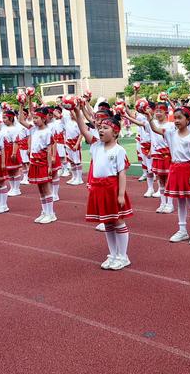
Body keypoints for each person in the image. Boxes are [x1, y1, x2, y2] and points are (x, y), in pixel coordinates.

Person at [74, 105, 132, 270]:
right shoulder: (95, 146)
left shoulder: (119, 150)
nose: (100, 130)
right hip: (98, 189)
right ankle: (113, 254)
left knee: (118, 222)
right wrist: (77, 112)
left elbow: (122, 174)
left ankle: (123, 255)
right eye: (99, 128)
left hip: (112, 189)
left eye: (105, 128)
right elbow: (83, 129)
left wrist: (121, 194)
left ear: (115, 132)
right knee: (107, 223)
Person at [149, 105, 190, 245]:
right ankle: (182, 230)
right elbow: (155, 129)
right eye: (175, 118)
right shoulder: (171, 133)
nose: (177, 121)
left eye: (180, 118)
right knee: (180, 201)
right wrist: (150, 119)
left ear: (188, 119)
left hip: (186, 169)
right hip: (175, 169)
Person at [124, 102, 174, 213]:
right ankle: (163, 203)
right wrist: (127, 117)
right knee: (160, 181)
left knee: (168, 181)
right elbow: (141, 123)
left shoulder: (170, 125)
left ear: (166, 112)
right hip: (156, 156)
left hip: (167, 156)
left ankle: (170, 204)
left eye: (160, 111)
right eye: (156, 111)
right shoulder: (152, 123)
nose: (158, 113)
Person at [19, 104, 56, 224]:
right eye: (33, 118)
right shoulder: (33, 129)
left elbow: (49, 150)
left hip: (43, 162)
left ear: (44, 118)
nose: (34, 121)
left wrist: (50, 166)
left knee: (46, 188)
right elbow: (21, 120)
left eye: (37, 118)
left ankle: (51, 214)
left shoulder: (47, 132)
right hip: (34, 161)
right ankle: (44, 211)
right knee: (40, 189)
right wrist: (21, 105)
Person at [1, 110, 23, 197]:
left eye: (5, 117)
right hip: (5, 150)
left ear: (10, 118)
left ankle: (17, 188)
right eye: (3, 117)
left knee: (15, 170)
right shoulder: (3, 127)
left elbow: (15, 142)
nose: (3, 120)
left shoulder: (14, 129)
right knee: (9, 171)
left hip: (12, 150)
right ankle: (12, 187)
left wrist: (14, 153)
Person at [62, 109, 84, 185]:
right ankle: (74, 177)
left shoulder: (79, 123)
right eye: (70, 114)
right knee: (71, 161)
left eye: (73, 114)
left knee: (77, 161)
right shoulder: (67, 121)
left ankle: (79, 178)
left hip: (75, 143)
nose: (71, 115)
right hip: (68, 143)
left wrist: (77, 144)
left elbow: (81, 134)